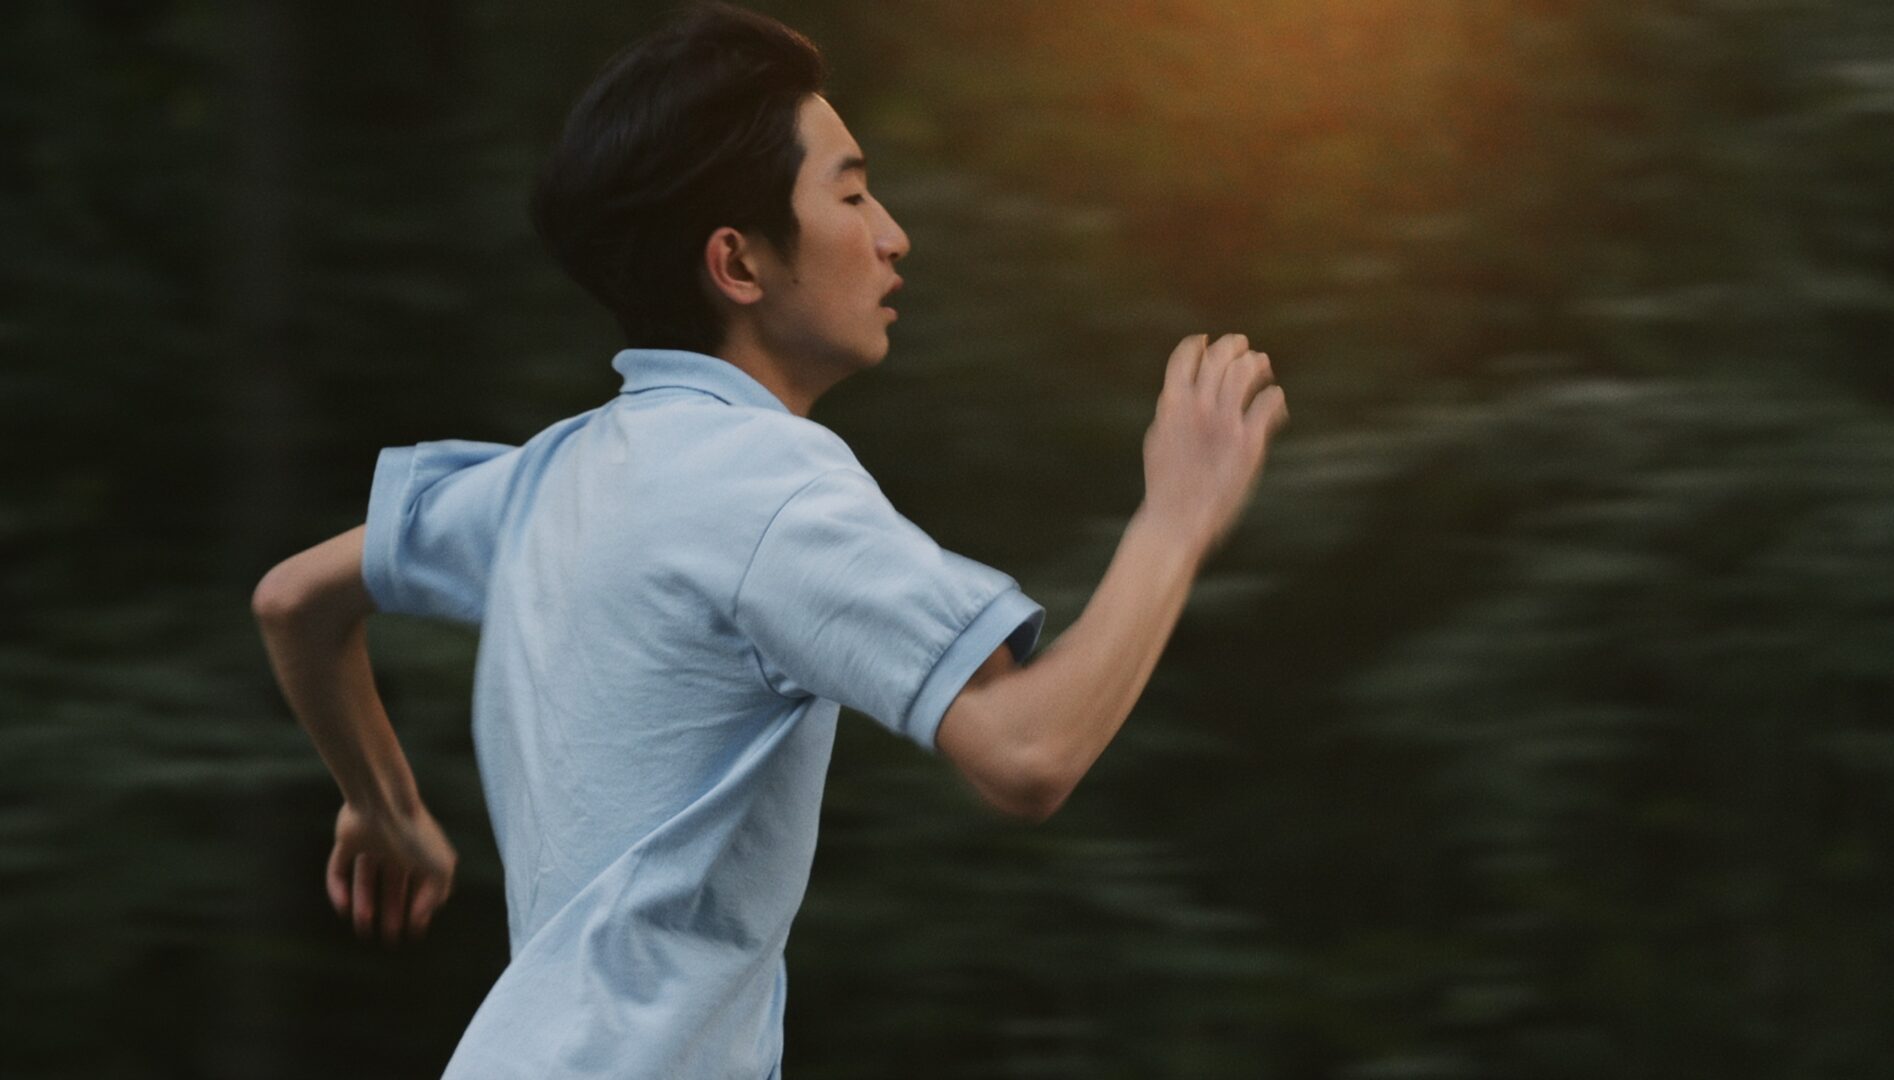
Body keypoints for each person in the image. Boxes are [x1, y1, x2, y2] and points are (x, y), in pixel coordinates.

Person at [250, 2, 1289, 1076]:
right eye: (849, 192)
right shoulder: (767, 485)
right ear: (737, 265)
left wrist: (384, 806)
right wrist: (1176, 518)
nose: (892, 232)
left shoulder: (554, 474)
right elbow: (1026, 751)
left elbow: (295, 601)